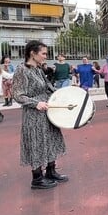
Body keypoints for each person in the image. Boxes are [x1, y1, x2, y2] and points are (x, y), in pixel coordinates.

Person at [12, 40, 68, 190]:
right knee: (36, 143)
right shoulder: (21, 70)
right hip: (33, 114)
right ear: (32, 53)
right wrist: (36, 103)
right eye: (43, 53)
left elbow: (48, 86)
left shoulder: (37, 69)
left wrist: (64, 93)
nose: (45, 56)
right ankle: (37, 178)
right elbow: (17, 94)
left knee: (50, 139)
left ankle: (51, 171)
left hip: (47, 111)